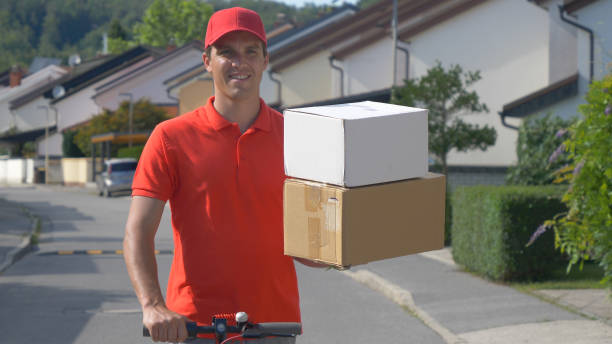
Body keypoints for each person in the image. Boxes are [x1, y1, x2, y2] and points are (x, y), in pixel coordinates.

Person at [123, 7, 323, 344]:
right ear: (207, 61)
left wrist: (339, 252)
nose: (239, 62)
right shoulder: (170, 138)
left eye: (250, 52)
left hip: (273, 326)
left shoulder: (297, 138)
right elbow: (137, 232)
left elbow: (306, 243)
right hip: (194, 326)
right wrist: (153, 305)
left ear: (264, 60)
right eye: (226, 52)